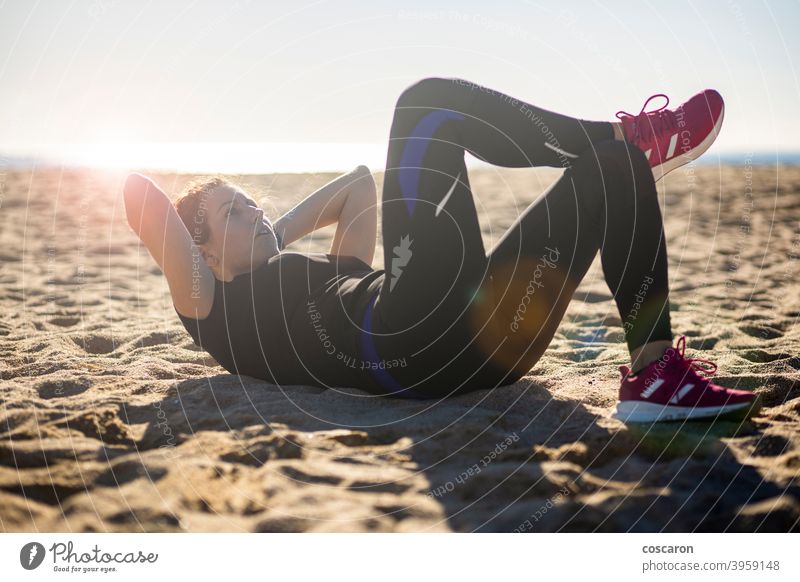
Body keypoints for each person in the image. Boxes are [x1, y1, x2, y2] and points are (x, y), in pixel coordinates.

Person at [123, 76, 761, 423]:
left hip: (484, 344)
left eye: (249, 199)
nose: (253, 208)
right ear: (200, 255)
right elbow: (140, 197)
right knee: (424, 104)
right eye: (233, 211)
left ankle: (657, 377)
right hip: (406, 334)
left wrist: (270, 233)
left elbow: (357, 189)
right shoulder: (213, 306)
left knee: (615, 170)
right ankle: (640, 133)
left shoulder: (314, 277)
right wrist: (224, 244)